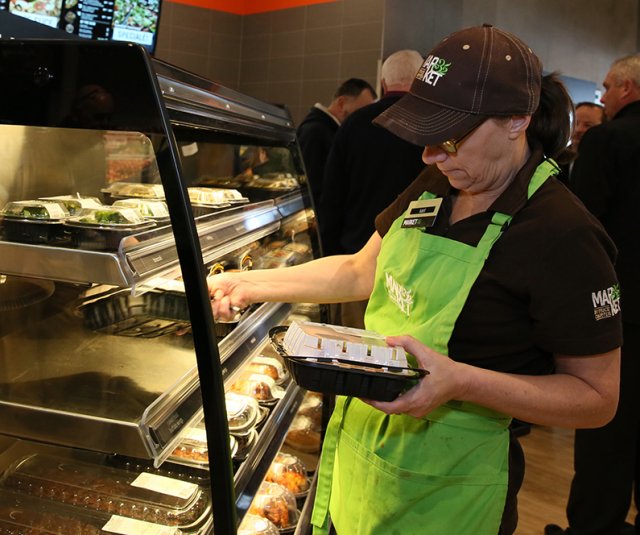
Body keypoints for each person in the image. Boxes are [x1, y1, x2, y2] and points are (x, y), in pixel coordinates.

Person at [210, 25, 621, 535]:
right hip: (360, 467)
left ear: (517, 120)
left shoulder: (563, 233)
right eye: (426, 138)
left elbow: (598, 399)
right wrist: (249, 286)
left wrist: (461, 381)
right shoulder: (437, 182)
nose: (430, 157)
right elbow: (361, 268)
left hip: (450, 496)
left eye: (449, 138)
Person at [545, 55, 640, 535]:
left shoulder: (608, 139)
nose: (602, 96)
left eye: (606, 86)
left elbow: (584, 226)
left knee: (608, 437)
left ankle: (594, 527)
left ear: (626, 87)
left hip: (620, 310)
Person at [317, 49, 425, 329]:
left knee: (354, 352)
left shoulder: (354, 123)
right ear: (420, 81)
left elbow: (331, 198)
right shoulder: (433, 125)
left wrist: (329, 258)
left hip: (355, 264)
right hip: (416, 269)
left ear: (384, 83)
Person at [297, 78, 376, 205]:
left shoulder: (330, 132)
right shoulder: (316, 132)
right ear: (341, 103)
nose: (362, 119)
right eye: (360, 112)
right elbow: (313, 191)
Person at [557, 102, 606, 184]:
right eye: (576, 123)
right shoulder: (558, 157)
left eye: (587, 125)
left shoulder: (605, 161)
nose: (578, 129)